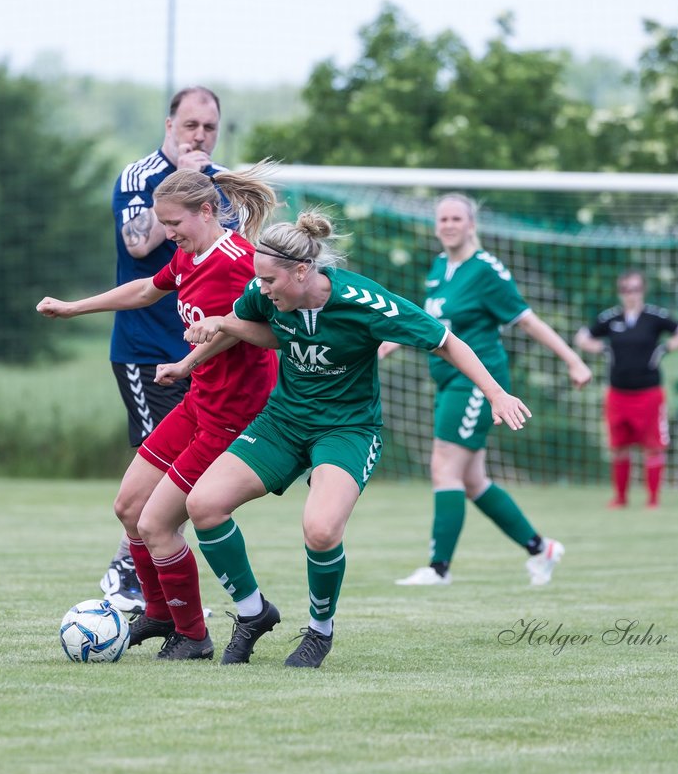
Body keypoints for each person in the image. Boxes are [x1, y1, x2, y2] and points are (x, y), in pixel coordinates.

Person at [159, 210, 531, 668]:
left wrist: (495, 393)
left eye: (271, 280)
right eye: (260, 280)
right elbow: (250, 329)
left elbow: (445, 341)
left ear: (301, 271)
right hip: (282, 422)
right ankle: (253, 613)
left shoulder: (364, 301)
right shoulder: (266, 291)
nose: (262, 288)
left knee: (320, 529)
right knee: (203, 506)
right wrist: (191, 360)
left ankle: (319, 631)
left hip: (347, 429)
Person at [37, 165, 279, 659]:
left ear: (206, 211)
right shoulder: (189, 257)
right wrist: (72, 308)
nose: (167, 235)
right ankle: (160, 611)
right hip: (197, 402)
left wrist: (188, 359)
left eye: (174, 225)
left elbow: (250, 327)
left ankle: (192, 637)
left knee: (157, 525)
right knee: (129, 509)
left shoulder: (239, 262)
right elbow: (147, 289)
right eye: (163, 225)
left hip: (232, 416)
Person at [384, 194, 591, 589]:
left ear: (471, 224)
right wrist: (396, 338)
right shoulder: (441, 267)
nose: (448, 224)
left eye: (456, 218)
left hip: (477, 382)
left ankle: (438, 569)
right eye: (442, 218)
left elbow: (527, 320)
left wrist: (572, 360)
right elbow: (435, 319)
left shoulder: (487, 270)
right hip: (447, 381)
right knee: (474, 480)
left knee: (444, 465)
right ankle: (540, 548)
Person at [99, 86, 228, 613]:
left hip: (202, 352)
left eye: (210, 128)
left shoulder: (218, 188)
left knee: (190, 473)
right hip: (145, 349)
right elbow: (137, 245)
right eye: (191, 125)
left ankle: (145, 575)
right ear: (170, 124)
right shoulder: (138, 177)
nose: (200, 136)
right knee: (160, 471)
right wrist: (177, 189)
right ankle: (129, 575)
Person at [575, 270, 678, 508]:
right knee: (619, 447)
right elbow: (582, 337)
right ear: (620, 292)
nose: (630, 294)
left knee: (653, 447)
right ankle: (620, 498)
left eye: (634, 289)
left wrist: (664, 348)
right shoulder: (611, 318)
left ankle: (653, 500)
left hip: (649, 393)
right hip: (618, 393)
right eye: (625, 290)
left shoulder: (654, 317)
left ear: (642, 290)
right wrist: (603, 349)